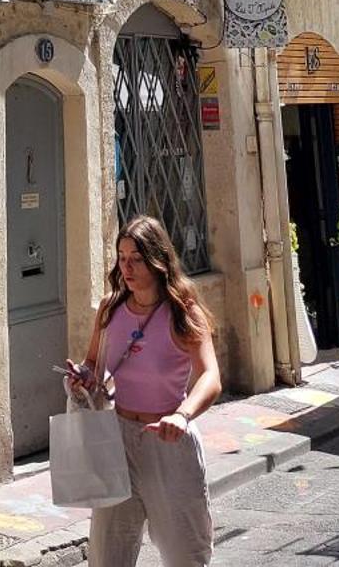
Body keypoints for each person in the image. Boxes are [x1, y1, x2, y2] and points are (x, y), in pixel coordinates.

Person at [69, 215, 221, 567]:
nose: (127, 267)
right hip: (118, 441)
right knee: (108, 555)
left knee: (186, 554)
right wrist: (82, 376)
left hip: (168, 441)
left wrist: (182, 417)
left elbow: (210, 376)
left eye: (136, 258)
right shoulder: (110, 308)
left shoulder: (183, 312)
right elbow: (94, 362)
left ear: (158, 259)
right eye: (122, 257)